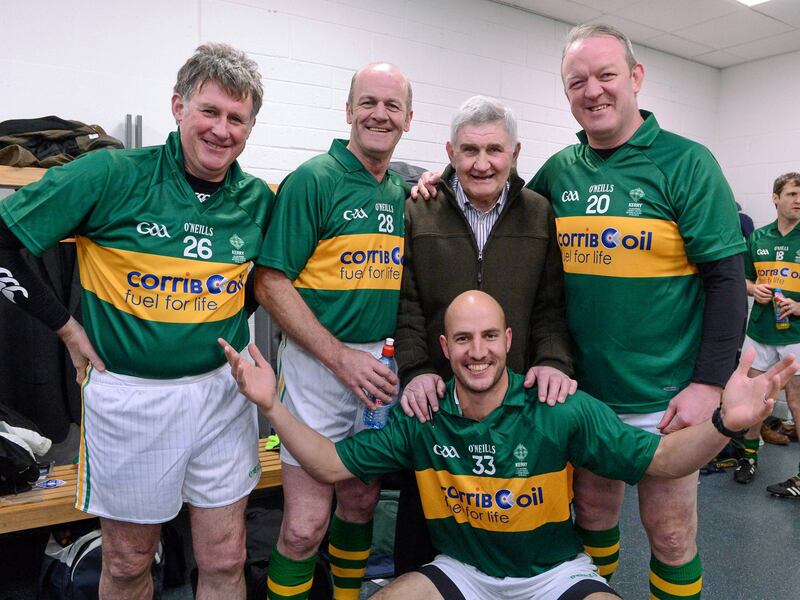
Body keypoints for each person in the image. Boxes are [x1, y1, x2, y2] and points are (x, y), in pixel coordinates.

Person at [412, 23, 746, 598]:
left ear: (635, 77)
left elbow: (726, 282)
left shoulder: (687, 163)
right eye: (577, 81)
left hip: (665, 395)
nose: (593, 91)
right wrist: (439, 180)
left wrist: (708, 384)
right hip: (579, 392)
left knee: (669, 534)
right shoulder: (561, 170)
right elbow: (500, 192)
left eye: (606, 75)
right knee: (590, 516)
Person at [219, 290, 795, 600]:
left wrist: (724, 422)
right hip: (462, 573)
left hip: (554, 576)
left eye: (490, 336)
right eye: (464, 339)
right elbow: (325, 463)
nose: (478, 351)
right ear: (445, 347)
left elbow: (664, 460)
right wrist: (270, 404)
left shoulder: (559, 407)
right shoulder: (423, 417)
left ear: (508, 339)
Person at [0, 43, 270, 599]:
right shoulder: (110, 174)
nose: (222, 130)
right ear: (178, 106)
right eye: (210, 111)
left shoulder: (256, 199)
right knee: (127, 562)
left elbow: (269, 281)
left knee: (226, 557)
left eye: (237, 118)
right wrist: (66, 328)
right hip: (132, 399)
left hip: (223, 396)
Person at [394, 94, 575, 572]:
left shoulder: (540, 213)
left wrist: (552, 361)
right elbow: (407, 304)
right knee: (423, 537)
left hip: (515, 406)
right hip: (437, 407)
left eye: (494, 150)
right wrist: (415, 370)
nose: (481, 163)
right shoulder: (419, 210)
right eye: (469, 150)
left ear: (515, 154)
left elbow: (550, 306)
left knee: (512, 534)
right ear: (450, 153)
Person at [252, 63, 412, 599]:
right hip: (317, 369)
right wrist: (339, 357)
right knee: (304, 526)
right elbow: (270, 283)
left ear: (408, 119)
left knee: (361, 503)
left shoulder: (402, 192)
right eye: (368, 102)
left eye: (392, 106)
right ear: (348, 110)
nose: (379, 115)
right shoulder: (313, 180)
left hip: (380, 372)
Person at [741, 172, 800, 493]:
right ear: (775, 198)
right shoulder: (758, 237)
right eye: (792, 194)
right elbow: (742, 280)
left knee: (796, 400)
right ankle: (748, 457)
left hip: (796, 335)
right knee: (755, 395)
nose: (798, 200)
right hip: (760, 330)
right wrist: (754, 290)